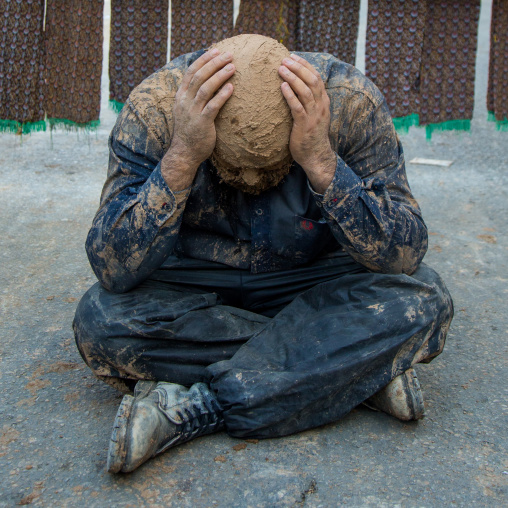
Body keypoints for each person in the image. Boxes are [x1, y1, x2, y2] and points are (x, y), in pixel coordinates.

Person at [73, 42, 453, 474]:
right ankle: (345, 368)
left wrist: (321, 162)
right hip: (195, 292)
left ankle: (202, 405)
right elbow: (111, 267)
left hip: (310, 282)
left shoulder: (348, 101)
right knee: (99, 322)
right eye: (236, 169)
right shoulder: (158, 108)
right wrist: (182, 156)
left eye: (268, 167)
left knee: (425, 300)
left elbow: (406, 253)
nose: (252, 178)